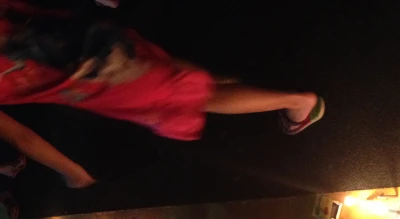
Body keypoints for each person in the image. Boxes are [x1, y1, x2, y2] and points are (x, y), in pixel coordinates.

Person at [0, 5, 325, 145]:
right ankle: (223, 78)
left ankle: (298, 102)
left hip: (87, 77)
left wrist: (71, 173)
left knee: (189, 97)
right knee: (168, 72)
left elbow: (19, 136)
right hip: (73, 37)